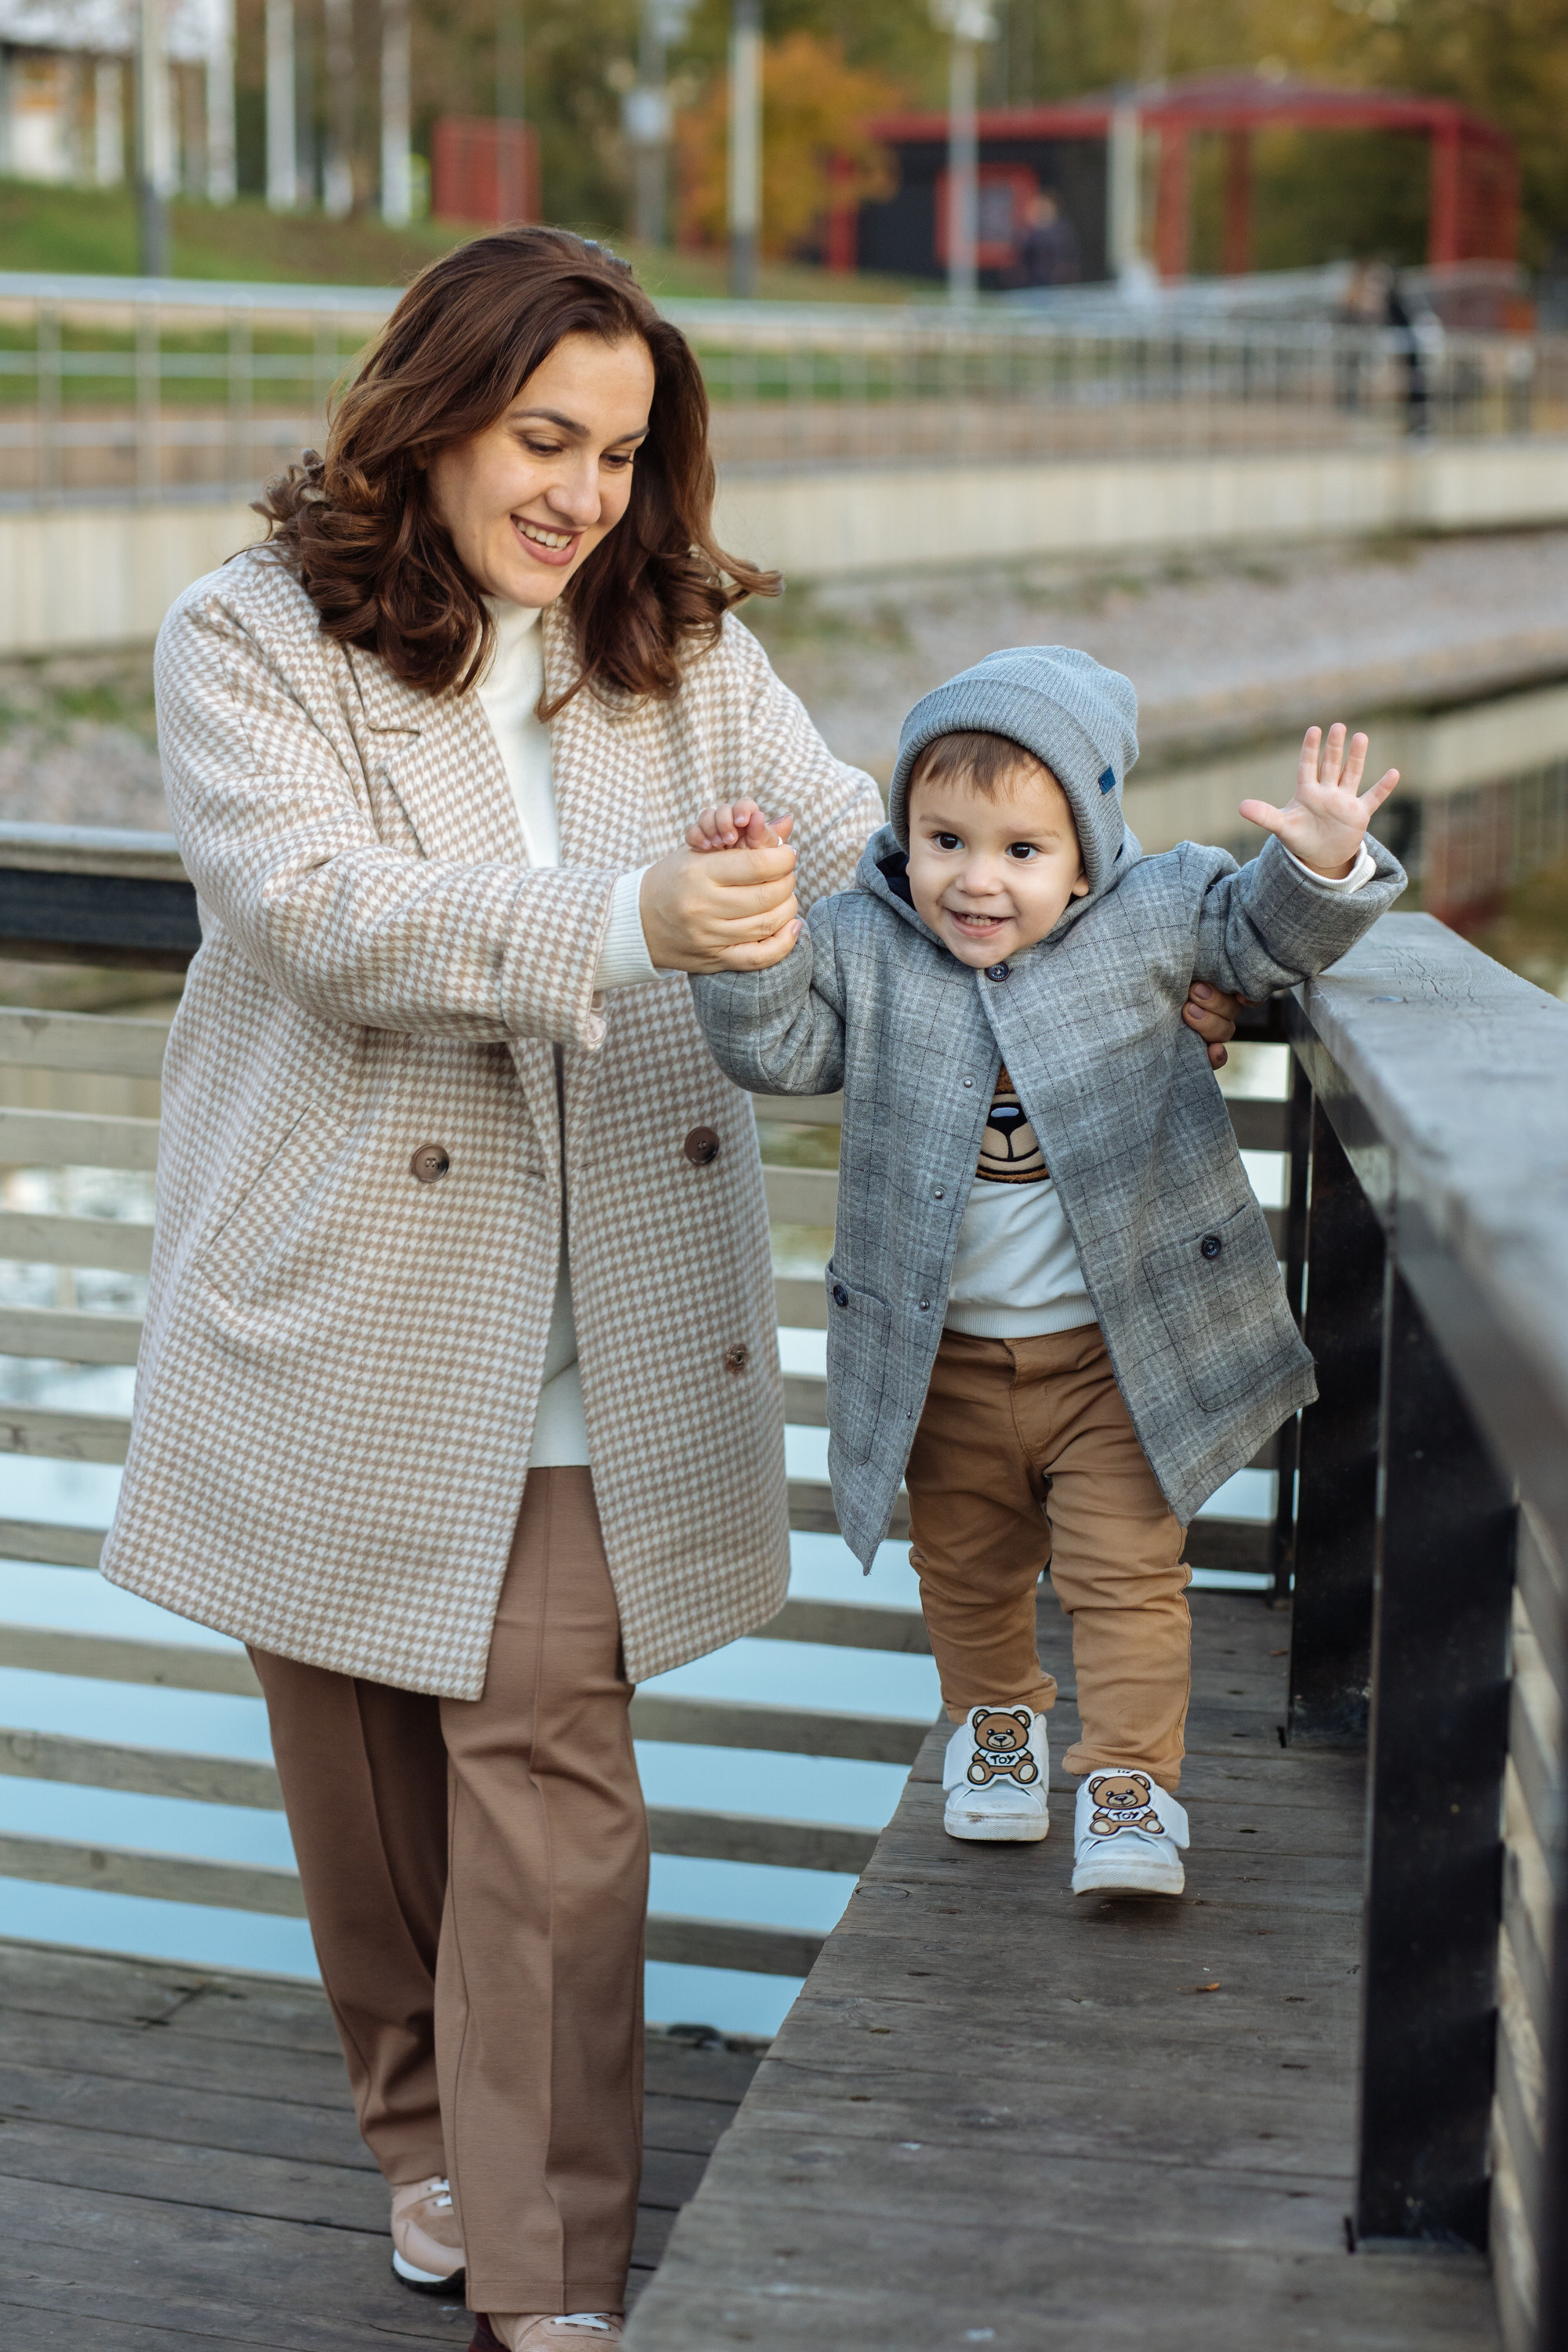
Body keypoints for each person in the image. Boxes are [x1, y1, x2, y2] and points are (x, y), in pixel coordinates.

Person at [98, 233, 1243, 2347]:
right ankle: (424, 2136)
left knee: (549, 1784)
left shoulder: (677, 645)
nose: (582, 494)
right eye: (547, 438)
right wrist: (633, 912)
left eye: (621, 453)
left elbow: (869, 869)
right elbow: (321, 912)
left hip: (594, 1317)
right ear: (430, 412)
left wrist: (1095, 964)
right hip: (337, 1294)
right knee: (357, 1780)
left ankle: (551, 2265)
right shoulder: (249, 639)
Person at [688, 646, 1403, 1903]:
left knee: (1126, 1574)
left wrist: (1324, 862)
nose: (975, 880)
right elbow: (785, 1051)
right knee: (963, 1569)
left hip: (1113, 1353)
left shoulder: (1158, 908)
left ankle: (1132, 1784)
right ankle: (997, 1730)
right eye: (944, 839)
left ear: (1091, 851)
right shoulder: (866, 939)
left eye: (1023, 850)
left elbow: (1263, 944)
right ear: (901, 832)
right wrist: (749, 944)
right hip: (938, 1354)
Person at [1012, 189, 1080, 289]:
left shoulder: (1061, 230)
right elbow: (1021, 253)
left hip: (1054, 281)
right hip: (1032, 281)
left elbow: (1068, 255)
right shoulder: (1028, 231)